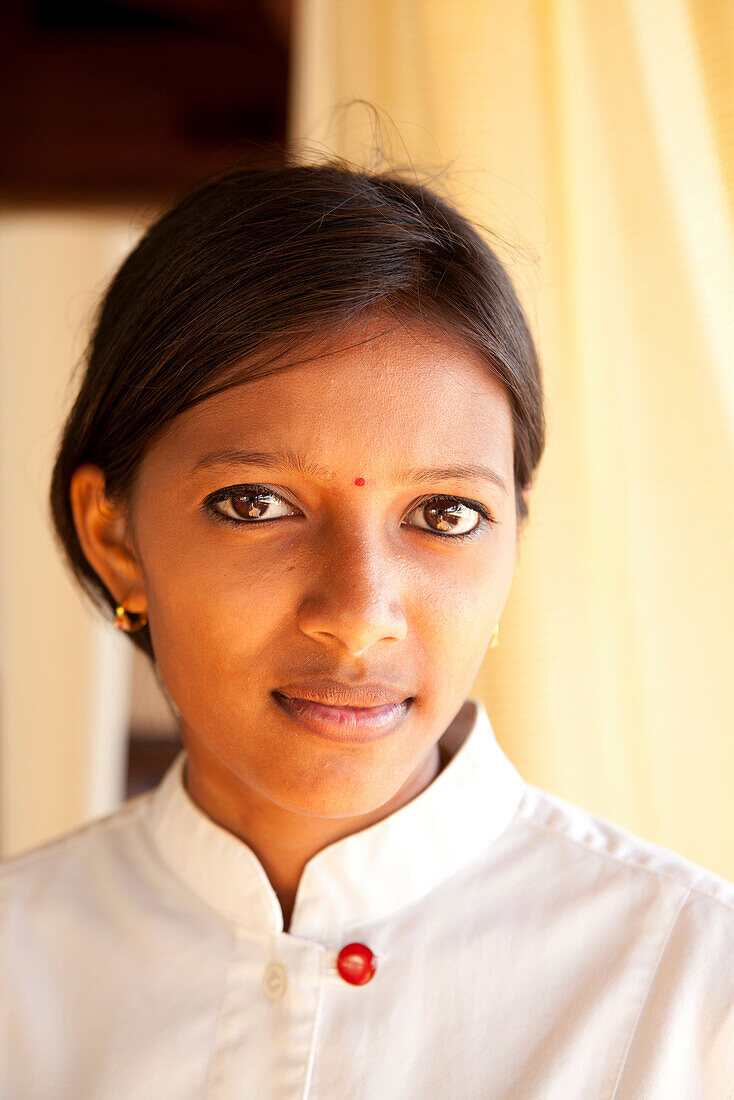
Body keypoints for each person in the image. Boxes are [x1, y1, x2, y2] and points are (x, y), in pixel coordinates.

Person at [1, 160, 732, 1099]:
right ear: (115, 535)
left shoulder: (696, 999)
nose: (356, 618)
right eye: (255, 502)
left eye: (445, 515)